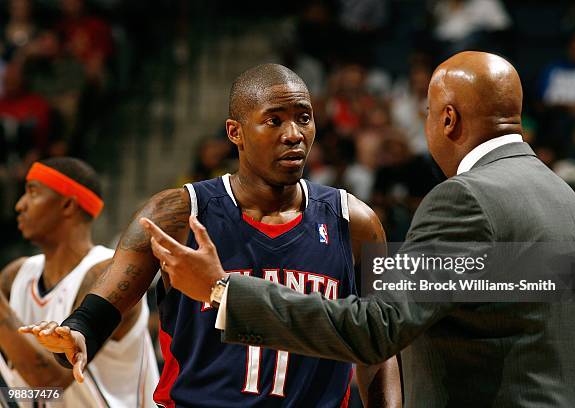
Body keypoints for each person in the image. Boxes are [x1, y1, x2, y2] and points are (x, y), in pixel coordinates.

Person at [134, 52, 575, 406]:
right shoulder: (568, 204)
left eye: (426, 112)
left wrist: (222, 292)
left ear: (448, 119)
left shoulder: (465, 200)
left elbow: (377, 328)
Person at [22, 64, 401, 407]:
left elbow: (383, 344)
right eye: (274, 121)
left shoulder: (357, 221)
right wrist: (76, 335)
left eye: (304, 118)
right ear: (235, 132)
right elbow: (100, 310)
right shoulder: (176, 213)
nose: (293, 134)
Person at [2, 157, 158, 407]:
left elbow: (51, 383)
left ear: (67, 205)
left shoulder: (106, 272)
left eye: (32, 192)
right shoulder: (16, 274)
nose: (19, 205)